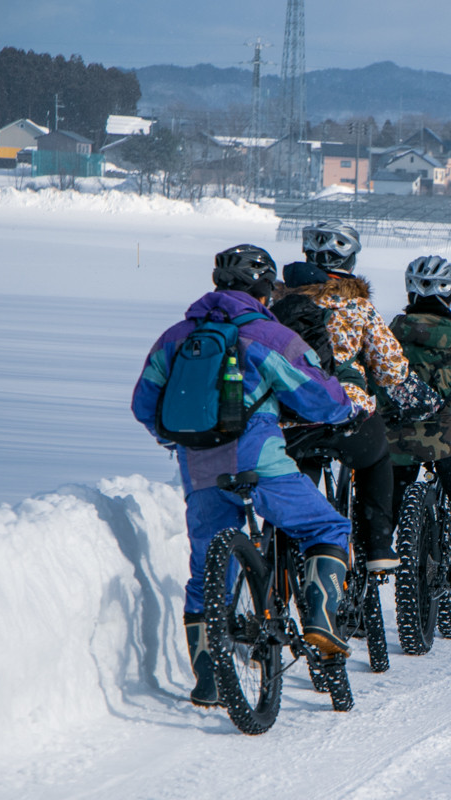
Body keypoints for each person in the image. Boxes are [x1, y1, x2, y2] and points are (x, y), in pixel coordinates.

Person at [131, 244, 357, 708]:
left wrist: (177, 439)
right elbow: (320, 399)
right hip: (261, 462)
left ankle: (209, 679)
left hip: (199, 468)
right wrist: (346, 405)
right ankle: (319, 619)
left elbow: (144, 405)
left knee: (207, 566)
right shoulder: (269, 336)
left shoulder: (175, 336)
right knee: (327, 527)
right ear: (262, 287)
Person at [271, 220, 440, 573]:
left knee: (298, 475)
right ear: (349, 265)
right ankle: (377, 546)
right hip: (345, 413)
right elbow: (392, 370)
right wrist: (420, 400)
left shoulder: (276, 309)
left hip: (289, 417)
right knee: (377, 456)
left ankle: (284, 553)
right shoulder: (358, 308)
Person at [382, 255, 451, 594]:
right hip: (443, 437)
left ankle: (371, 557)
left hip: (394, 439)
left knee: (387, 495)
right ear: (450, 294)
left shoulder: (389, 334)